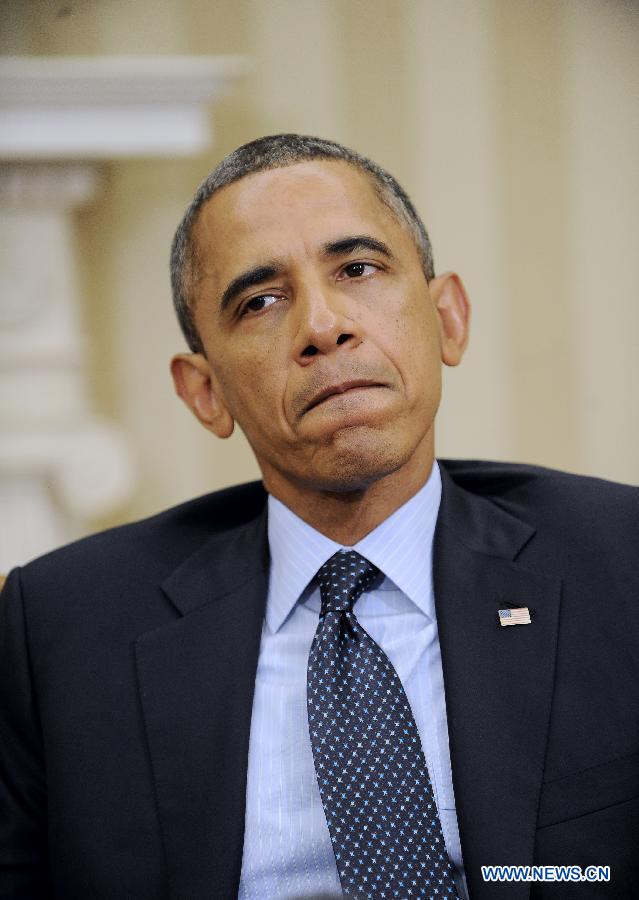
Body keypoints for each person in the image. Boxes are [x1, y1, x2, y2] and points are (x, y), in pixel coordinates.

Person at [1, 134, 637, 900]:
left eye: (358, 269)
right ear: (205, 393)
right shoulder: (65, 630)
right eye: (260, 300)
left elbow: (579, 870)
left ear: (448, 319)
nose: (322, 326)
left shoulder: (616, 561)